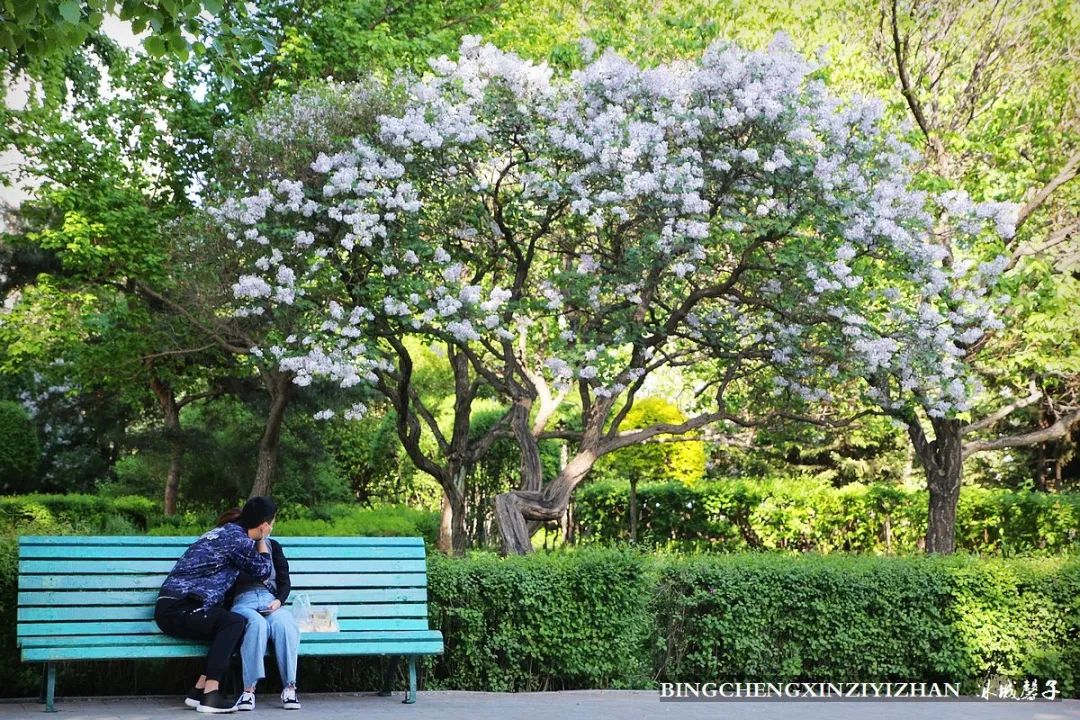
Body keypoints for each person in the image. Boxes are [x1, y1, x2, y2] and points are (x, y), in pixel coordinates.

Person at [154, 497, 276, 714]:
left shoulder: (223, 531)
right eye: (272, 522)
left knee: (229, 625)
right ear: (264, 525)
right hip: (182, 607)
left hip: (175, 605)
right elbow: (265, 570)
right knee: (235, 623)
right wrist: (262, 540)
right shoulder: (239, 541)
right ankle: (211, 695)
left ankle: (199, 691)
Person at [216, 507, 302, 711]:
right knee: (256, 624)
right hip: (243, 603)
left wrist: (279, 601)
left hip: (270, 601)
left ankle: (290, 688)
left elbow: (284, 581)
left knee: (285, 624)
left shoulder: (274, 547)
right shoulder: (235, 548)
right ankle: (248, 691)